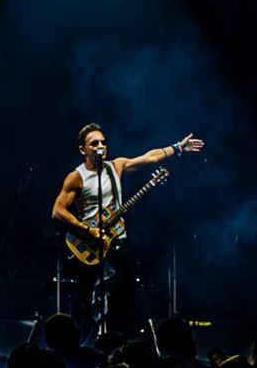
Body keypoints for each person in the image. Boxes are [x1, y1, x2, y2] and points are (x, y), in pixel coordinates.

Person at [51, 123, 204, 342]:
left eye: (103, 142)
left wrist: (178, 147)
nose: (101, 146)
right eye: (94, 143)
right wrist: (86, 230)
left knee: (125, 295)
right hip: (89, 245)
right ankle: (84, 345)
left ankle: (120, 343)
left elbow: (149, 158)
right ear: (83, 149)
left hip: (117, 242)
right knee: (86, 301)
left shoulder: (116, 166)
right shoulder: (76, 177)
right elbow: (58, 211)